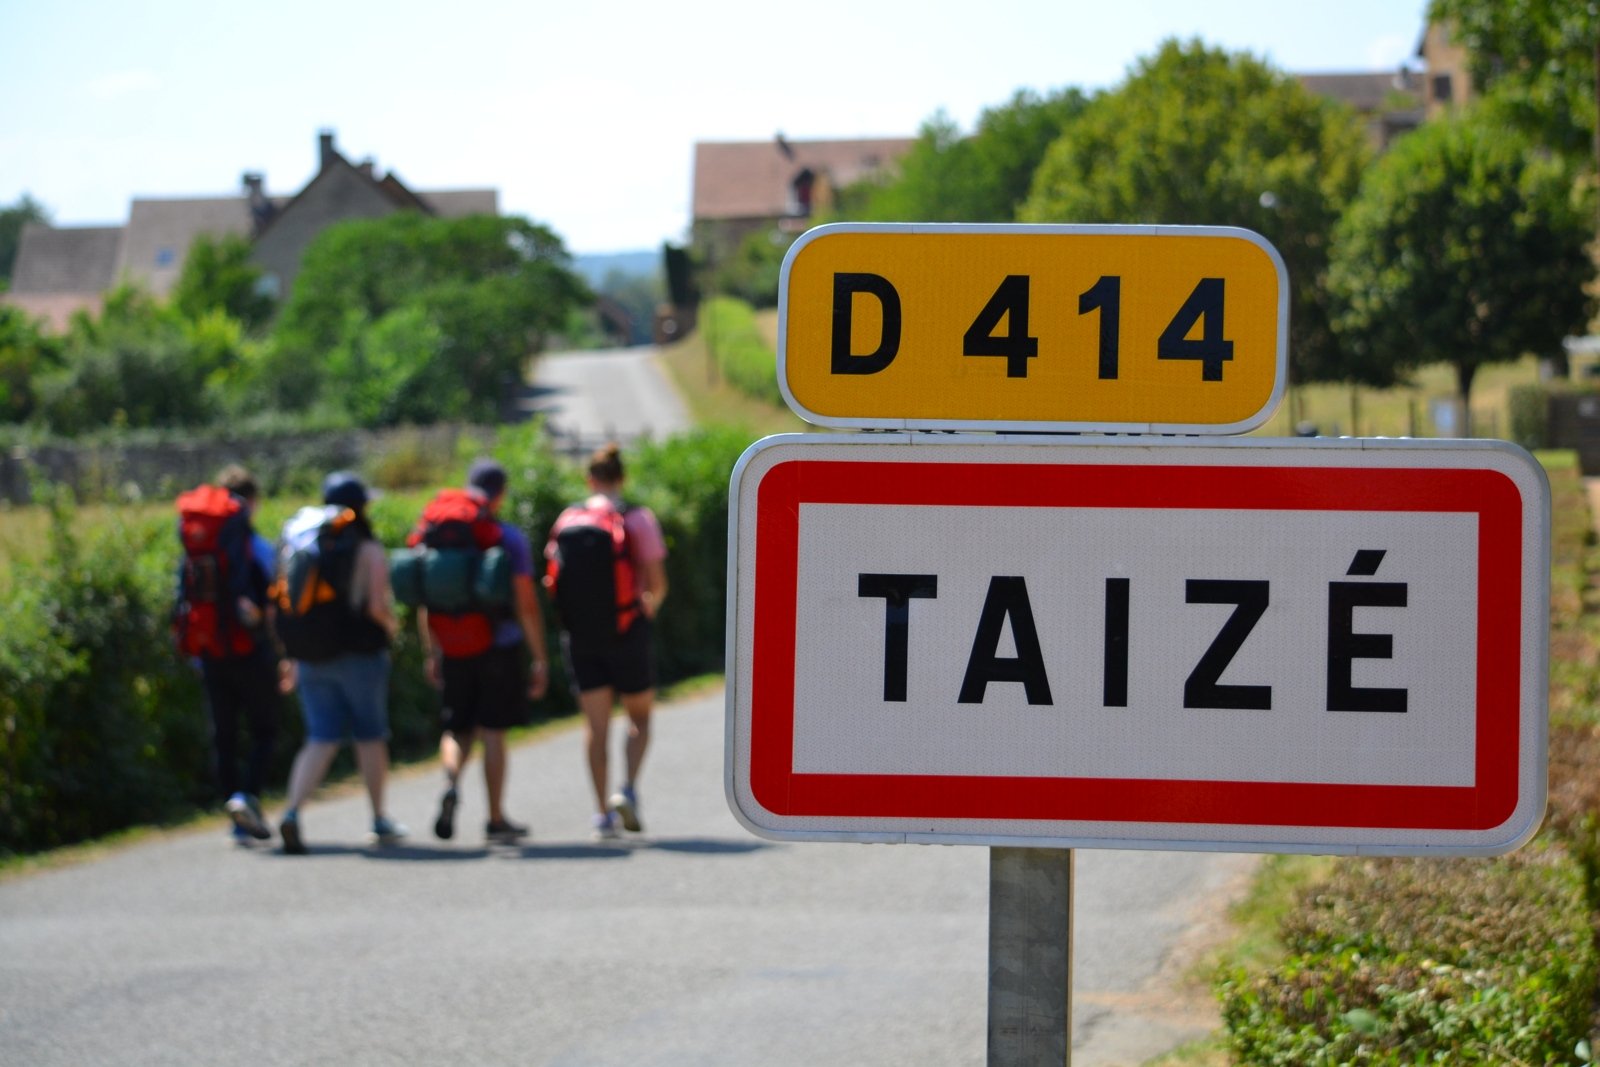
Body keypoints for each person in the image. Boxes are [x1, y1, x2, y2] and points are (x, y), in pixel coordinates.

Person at [420, 458, 551, 843]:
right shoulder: (507, 538)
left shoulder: (439, 531)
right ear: (501, 494)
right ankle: (495, 819)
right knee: (493, 732)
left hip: (454, 644)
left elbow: (427, 601)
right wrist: (540, 657)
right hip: (499, 646)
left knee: (457, 727)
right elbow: (526, 604)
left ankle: (450, 780)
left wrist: (433, 651)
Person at [275, 471, 406, 855]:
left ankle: (293, 812)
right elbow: (376, 606)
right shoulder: (367, 548)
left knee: (320, 737)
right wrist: (393, 628)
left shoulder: (305, 542)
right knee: (370, 734)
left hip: (312, 656)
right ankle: (379, 818)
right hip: (361, 656)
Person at [544, 443, 668, 839]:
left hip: (580, 635)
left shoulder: (568, 519)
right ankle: (627, 788)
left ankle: (601, 814)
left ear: (590, 479)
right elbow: (657, 582)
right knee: (640, 717)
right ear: (622, 478)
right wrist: (646, 607)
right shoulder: (637, 518)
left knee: (595, 728)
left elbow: (553, 577)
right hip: (627, 628)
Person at [185, 465, 281, 845]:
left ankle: (233, 813)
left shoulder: (198, 542)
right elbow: (274, 600)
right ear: (252, 502)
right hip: (251, 650)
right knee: (264, 731)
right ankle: (247, 797)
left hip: (210, 651)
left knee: (223, 736)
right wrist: (282, 651)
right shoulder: (255, 547)